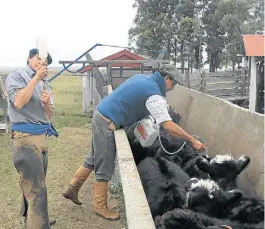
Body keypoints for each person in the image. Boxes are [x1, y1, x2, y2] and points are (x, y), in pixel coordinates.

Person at [62, 64, 206, 221]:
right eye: (173, 83)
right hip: (108, 121)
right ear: (166, 78)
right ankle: (100, 206)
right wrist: (192, 140)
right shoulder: (154, 95)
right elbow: (167, 125)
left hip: (102, 114)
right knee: (105, 162)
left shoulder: (143, 79)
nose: (173, 88)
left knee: (93, 157)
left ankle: (73, 188)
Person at [6, 48, 57, 229]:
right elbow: (18, 102)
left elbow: (48, 116)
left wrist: (46, 104)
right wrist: (35, 79)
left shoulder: (45, 83)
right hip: (25, 139)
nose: (42, 64)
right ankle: (39, 223)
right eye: (39, 59)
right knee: (37, 191)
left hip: (42, 139)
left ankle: (36, 218)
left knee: (36, 185)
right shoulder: (17, 76)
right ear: (29, 58)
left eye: (45, 63)